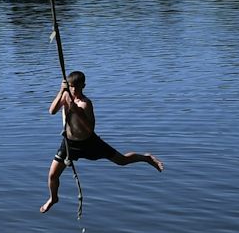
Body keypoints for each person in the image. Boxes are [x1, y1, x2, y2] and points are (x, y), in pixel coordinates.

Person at [41, 70, 163, 214]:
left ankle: (146, 158)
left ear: (83, 86)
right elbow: (52, 111)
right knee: (52, 175)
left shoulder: (86, 104)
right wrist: (61, 91)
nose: (74, 90)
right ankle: (53, 198)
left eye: (77, 87)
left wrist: (77, 111)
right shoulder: (66, 96)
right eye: (71, 86)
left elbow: (89, 128)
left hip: (89, 142)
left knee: (122, 161)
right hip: (70, 144)